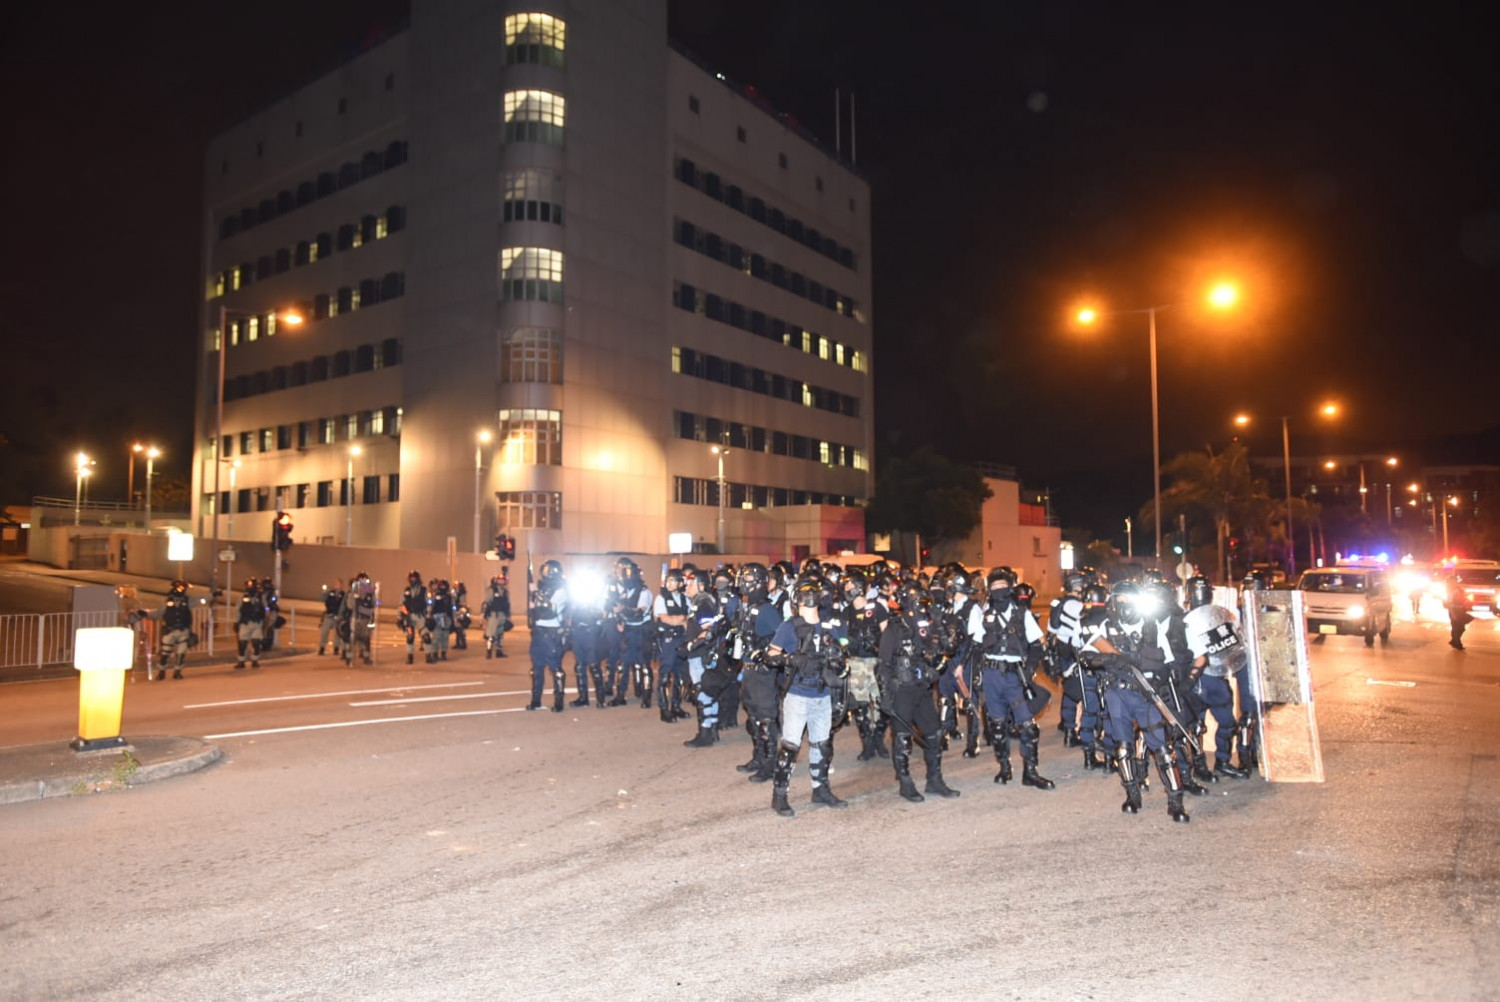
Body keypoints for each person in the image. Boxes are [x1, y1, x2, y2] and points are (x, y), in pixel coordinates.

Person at [1083, 581, 1192, 823]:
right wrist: (1109, 660)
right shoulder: (1106, 628)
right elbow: (1086, 656)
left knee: (1163, 750)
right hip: (1117, 694)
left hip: (1146, 694)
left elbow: (1169, 662)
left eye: (1128, 600)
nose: (1124, 605)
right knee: (1123, 749)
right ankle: (1133, 795)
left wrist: (1155, 676)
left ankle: (1176, 801)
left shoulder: (1152, 627)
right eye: (1119, 600)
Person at [764, 579, 850, 816]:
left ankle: (820, 790)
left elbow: (843, 656)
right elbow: (770, 656)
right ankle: (779, 795)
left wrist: (838, 661)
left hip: (822, 693)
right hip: (799, 694)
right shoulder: (789, 626)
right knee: (790, 746)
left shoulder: (829, 626)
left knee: (822, 745)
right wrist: (790, 660)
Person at [877, 582, 961, 803]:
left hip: (922, 689)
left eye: (925, 604)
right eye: (918, 604)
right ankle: (906, 784)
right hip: (902, 690)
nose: (922, 609)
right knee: (903, 738)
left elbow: (949, 648)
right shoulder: (894, 629)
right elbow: (883, 665)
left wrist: (940, 622)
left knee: (934, 734)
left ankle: (935, 780)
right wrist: (885, 694)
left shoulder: (929, 626)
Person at [974, 568, 1054, 791]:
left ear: (1010, 589)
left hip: (1014, 676)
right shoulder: (982, 613)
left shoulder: (1021, 614)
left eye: (1002, 586)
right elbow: (976, 646)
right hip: (991, 675)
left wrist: (1029, 668)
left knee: (1028, 726)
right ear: (989, 590)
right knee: (997, 726)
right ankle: (1004, 767)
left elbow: (1038, 643)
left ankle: (1031, 772)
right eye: (994, 587)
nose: (999, 590)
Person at [1181, 575, 1251, 781]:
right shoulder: (1183, 621)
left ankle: (1222, 761)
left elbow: (1234, 644)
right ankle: (1199, 765)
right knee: (1195, 726)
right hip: (1197, 678)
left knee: (1227, 723)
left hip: (1215, 677)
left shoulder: (1221, 616)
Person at [733, 562, 787, 780]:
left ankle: (770, 764)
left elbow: (783, 636)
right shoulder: (748, 607)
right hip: (748, 671)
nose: (743, 584)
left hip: (762, 672)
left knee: (765, 719)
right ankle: (759, 756)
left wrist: (766, 652)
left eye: (747, 580)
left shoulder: (767, 609)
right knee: (754, 719)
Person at [681, 568, 729, 747]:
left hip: (701, 655)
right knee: (708, 692)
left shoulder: (702, 603)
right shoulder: (703, 601)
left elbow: (709, 627)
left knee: (702, 693)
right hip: (702, 654)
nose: (687, 586)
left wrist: (692, 644)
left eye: (691, 583)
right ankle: (712, 729)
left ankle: (705, 732)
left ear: (701, 585)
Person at [528, 560, 569, 712]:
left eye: (548, 570)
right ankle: (535, 700)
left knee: (555, 668)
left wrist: (535, 594)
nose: (544, 573)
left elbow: (549, 611)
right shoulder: (542, 588)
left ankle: (559, 702)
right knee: (536, 668)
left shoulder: (561, 590)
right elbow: (533, 610)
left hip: (552, 632)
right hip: (538, 631)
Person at [653, 568, 692, 723]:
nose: (669, 583)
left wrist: (681, 619)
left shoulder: (684, 598)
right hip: (668, 640)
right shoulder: (661, 598)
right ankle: (664, 709)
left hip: (682, 639)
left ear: (680, 583)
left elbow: (689, 618)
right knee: (665, 676)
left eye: (673, 580)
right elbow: (666, 619)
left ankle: (676, 706)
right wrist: (681, 619)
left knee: (680, 676)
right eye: (668, 580)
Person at [158, 579, 194, 680]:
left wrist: (212, 595)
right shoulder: (167, 600)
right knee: (165, 652)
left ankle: (177, 672)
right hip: (170, 629)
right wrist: (144, 614)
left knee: (181, 652)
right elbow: (159, 612)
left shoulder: (187, 600)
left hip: (183, 630)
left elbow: (200, 600)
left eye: (183, 588)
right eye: (180, 587)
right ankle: (161, 672)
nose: (182, 590)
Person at [342, 572, 377, 666]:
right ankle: (349, 657)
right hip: (356, 617)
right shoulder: (354, 591)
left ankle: (366, 656)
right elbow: (350, 605)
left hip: (366, 618)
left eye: (365, 580)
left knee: (366, 638)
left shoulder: (370, 592)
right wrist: (356, 598)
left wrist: (376, 602)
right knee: (353, 638)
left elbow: (375, 603)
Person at [235, 577, 266, 669]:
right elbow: (238, 610)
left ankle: (255, 660)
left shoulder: (261, 597)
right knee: (242, 644)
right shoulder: (243, 597)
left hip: (257, 623)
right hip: (245, 623)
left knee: (256, 643)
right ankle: (241, 661)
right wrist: (237, 622)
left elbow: (265, 608)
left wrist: (265, 619)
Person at [399, 570, 428, 665]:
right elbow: (402, 604)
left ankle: (429, 655)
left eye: (414, 578)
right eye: (411, 578)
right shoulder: (406, 591)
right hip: (409, 616)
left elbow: (428, 603)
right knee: (410, 637)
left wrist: (429, 616)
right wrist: (399, 617)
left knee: (426, 636)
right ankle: (410, 656)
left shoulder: (423, 590)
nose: (412, 580)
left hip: (420, 616)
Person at [482, 575, 511, 659]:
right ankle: (489, 651)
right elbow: (487, 602)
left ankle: (499, 651)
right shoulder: (491, 590)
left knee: (500, 634)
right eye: (500, 580)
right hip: (494, 614)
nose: (502, 581)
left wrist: (508, 615)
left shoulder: (505, 591)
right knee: (491, 634)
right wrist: (483, 614)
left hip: (502, 614)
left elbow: (507, 604)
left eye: (503, 580)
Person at [427, 579, 454, 663]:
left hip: (446, 618)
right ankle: (434, 653)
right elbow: (431, 606)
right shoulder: (436, 595)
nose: (443, 588)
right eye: (442, 586)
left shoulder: (449, 596)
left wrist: (453, 619)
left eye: (444, 586)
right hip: (437, 617)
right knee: (436, 636)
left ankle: (443, 653)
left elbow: (452, 608)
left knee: (445, 637)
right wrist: (429, 616)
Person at [319, 580, 346, 658]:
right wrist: (325, 592)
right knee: (324, 631)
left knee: (337, 634)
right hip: (329, 615)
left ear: (341, 585)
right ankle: (322, 647)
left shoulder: (343, 594)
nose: (336, 585)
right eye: (335, 584)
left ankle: (336, 648)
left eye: (338, 584)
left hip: (338, 617)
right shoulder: (330, 593)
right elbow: (321, 598)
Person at [1447, 578, 1473, 651]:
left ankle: (1454, 640)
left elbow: (1464, 599)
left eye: (1455, 582)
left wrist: (1465, 604)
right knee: (1457, 627)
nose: (1455, 583)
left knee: (1459, 627)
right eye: (1453, 582)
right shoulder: (1452, 592)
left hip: (1460, 611)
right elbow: (1450, 604)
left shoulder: (1458, 590)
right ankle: (1457, 643)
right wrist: (1453, 613)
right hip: (1455, 611)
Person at [452, 582, 470, 650]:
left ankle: (462, 643)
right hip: (457, 610)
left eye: (457, 585)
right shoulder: (455, 592)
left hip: (460, 610)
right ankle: (458, 643)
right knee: (457, 627)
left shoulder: (461, 593)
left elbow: (462, 603)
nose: (455, 586)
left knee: (460, 626)